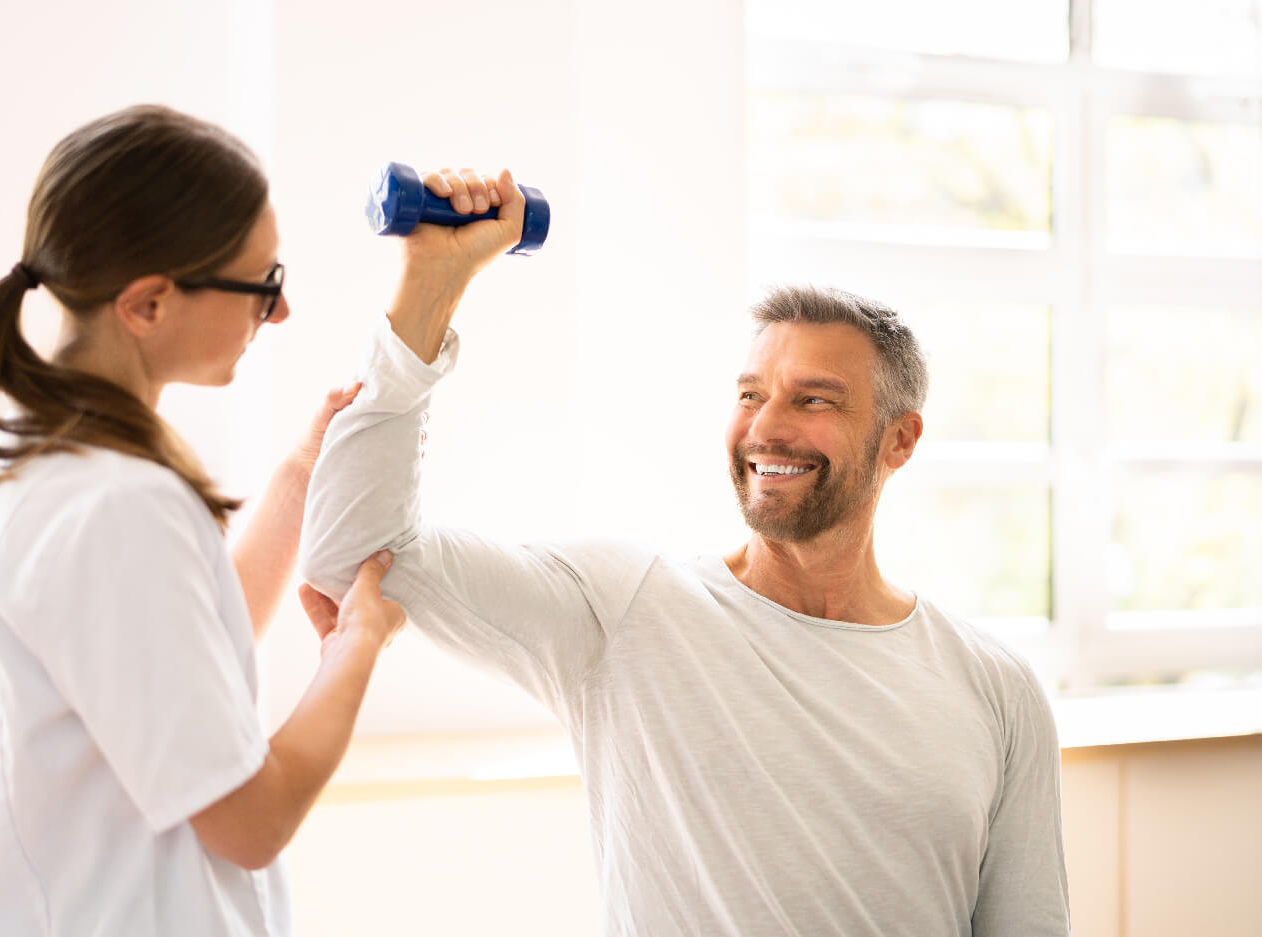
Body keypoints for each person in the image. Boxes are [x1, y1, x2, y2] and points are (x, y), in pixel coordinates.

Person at [300, 169, 1070, 935]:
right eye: (749, 393)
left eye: (813, 398)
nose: (766, 426)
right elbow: (357, 549)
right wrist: (429, 286)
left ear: (898, 440)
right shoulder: (626, 609)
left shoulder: (995, 688)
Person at [0, 104, 406, 937]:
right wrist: (359, 644)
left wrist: (300, 478)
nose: (280, 314)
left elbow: (181, 649)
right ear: (147, 305)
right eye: (261, 286)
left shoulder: (59, 460)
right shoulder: (118, 507)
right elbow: (250, 822)